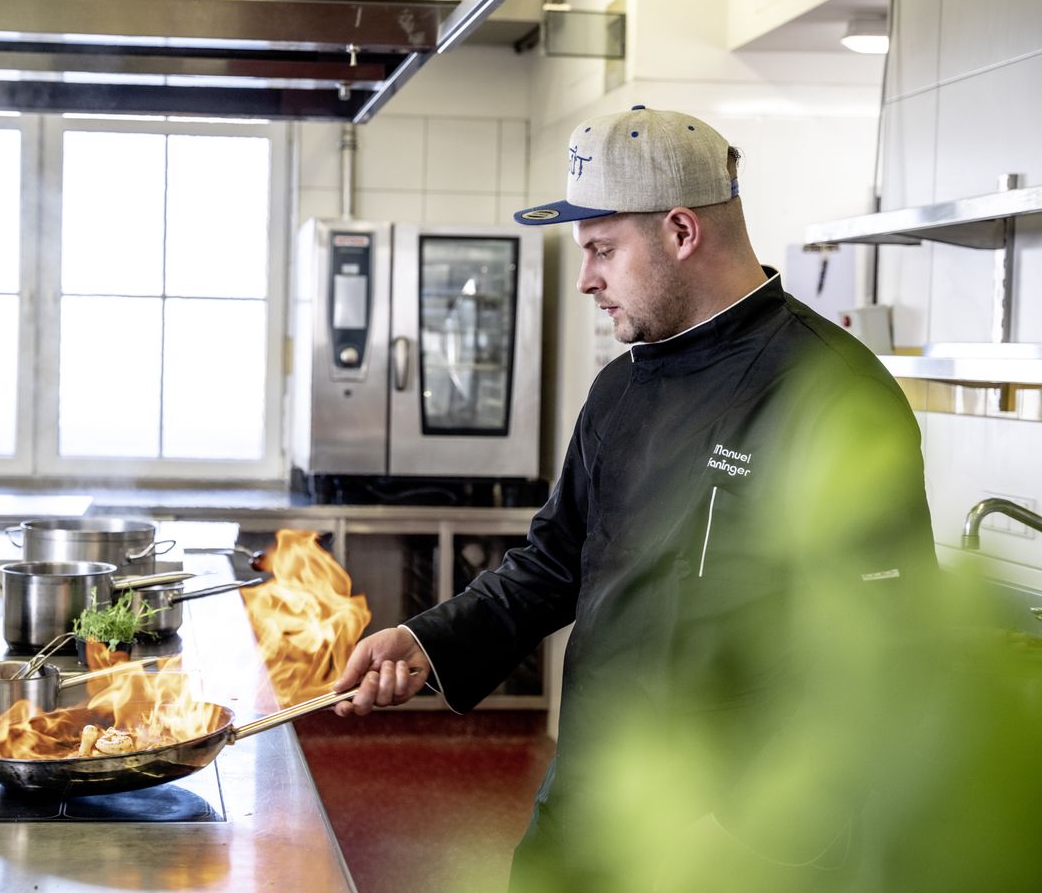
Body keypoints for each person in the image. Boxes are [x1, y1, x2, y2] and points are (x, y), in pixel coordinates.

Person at [331, 106, 939, 892]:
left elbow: (884, 653)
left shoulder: (832, 394)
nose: (586, 278)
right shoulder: (620, 387)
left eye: (602, 251)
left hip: (736, 834)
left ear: (682, 232)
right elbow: (553, 562)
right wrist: (428, 640)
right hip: (593, 795)